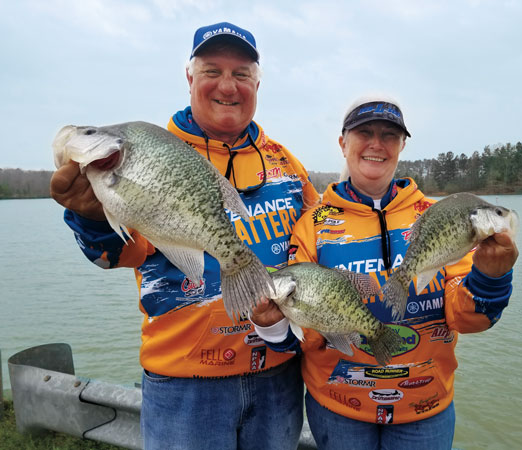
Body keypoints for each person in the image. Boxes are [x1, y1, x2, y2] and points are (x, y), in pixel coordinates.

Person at [50, 22, 320, 450]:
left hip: (278, 375)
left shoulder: (286, 163)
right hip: (185, 383)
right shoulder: (151, 151)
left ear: (257, 83)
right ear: (190, 78)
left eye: (242, 74)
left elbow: (319, 244)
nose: (228, 86)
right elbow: (116, 254)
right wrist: (92, 217)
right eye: (212, 70)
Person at [251, 95, 519, 450]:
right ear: (343, 142)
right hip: (337, 408)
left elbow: (466, 319)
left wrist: (491, 277)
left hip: (425, 410)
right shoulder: (312, 225)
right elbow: (309, 336)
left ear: (402, 145)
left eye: (389, 135)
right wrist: (271, 325)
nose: (377, 144)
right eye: (364, 132)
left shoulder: (436, 217)